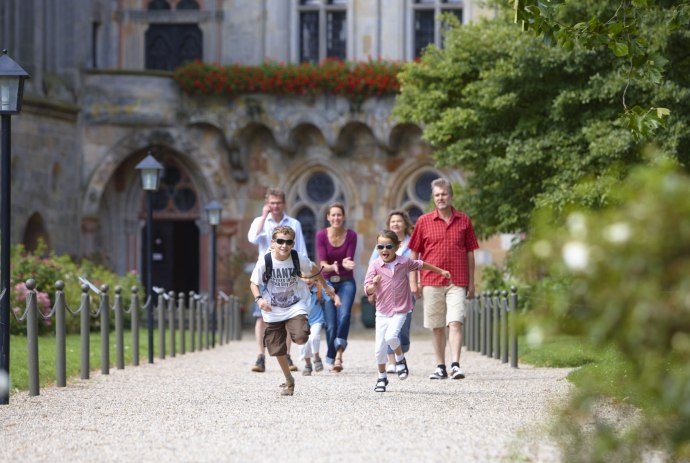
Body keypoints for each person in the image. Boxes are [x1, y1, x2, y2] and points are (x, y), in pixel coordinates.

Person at [249, 226, 337, 396]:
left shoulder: (297, 257)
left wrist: (326, 287)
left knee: (301, 336)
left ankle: (294, 328)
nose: (284, 245)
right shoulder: (265, 261)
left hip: (296, 303)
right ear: (273, 243)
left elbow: (314, 270)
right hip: (272, 308)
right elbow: (253, 283)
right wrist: (259, 300)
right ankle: (289, 380)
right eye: (280, 241)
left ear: (293, 243)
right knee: (276, 349)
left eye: (288, 242)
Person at [409, 178, 479, 380]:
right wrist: (414, 282)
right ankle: (440, 366)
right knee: (437, 325)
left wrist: (472, 283)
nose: (441, 198)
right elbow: (414, 254)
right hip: (431, 280)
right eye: (437, 195)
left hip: (458, 279)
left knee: (455, 321)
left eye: (444, 194)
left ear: (451, 195)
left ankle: (456, 364)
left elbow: (470, 254)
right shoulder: (423, 221)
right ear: (433, 197)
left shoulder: (464, 220)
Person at [364, 229, 450, 392]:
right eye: (380, 247)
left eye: (388, 246)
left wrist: (441, 271)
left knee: (391, 336)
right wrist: (373, 286)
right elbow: (367, 289)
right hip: (382, 311)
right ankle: (382, 378)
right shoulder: (375, 265)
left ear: (397, 246)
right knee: (379, 349)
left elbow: (421, 264)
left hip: (401, 309)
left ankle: (400, 358)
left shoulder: (404, 262)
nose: (384, 250)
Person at [247, 188, 307, 373]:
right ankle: (260, 356)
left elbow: (301, 249)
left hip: (287, 272)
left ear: (284, 203)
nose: (275, 206)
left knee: (288, 314)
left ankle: (287, 354)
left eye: (278, 203)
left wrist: (302, 274)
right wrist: (264, 217)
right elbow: (253, 239)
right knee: (260, 316)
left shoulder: (294, 223)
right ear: (267, 203)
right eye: (272, 203)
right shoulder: (260, 221)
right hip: (266, 273)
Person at [368, 210, 415, 373]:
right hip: (386, 292)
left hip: (407, 290)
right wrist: (372, 288)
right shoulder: (381, 244)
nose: (396, 224)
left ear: (405, 224)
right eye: (393, 221)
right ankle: (392, 362)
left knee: (403, 327)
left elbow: (417, 264)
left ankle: (401, 353)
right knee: (387, 328)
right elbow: (373, 264)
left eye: (399, 221)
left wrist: (418, 283)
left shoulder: (411, 243)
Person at [315, 202, 357, 372]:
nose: (336, 218)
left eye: (339, 214)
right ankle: (331, 356)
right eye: (333, 215)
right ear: (328, 217)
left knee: (345, 314)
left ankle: (338, 355)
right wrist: (335, 266)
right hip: (328, 283)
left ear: (344, 216)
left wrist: (345, 263)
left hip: (347, 281)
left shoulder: (352, 235)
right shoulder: (320, 236)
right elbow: (322, 265)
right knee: (331, 324)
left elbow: (349, 260)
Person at [300, 280, 336, 376]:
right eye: (305, 277)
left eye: (310, 277)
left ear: (315, 278)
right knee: (304, 344)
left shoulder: (319, 289)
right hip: (302, 322)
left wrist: (334, 297)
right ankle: (308, 365)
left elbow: (329, 296)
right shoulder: (297, 289)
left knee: (314, 337)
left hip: (317, 320)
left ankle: (317, 358)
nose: (308, 280)